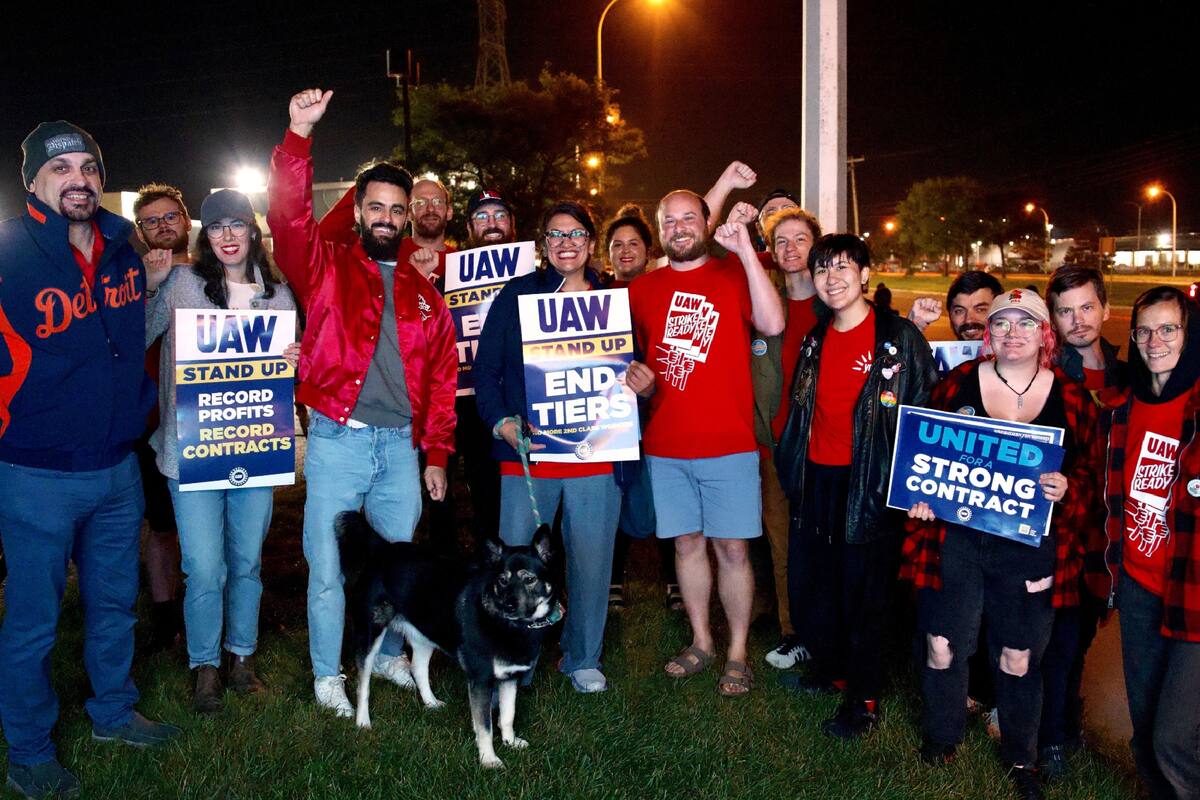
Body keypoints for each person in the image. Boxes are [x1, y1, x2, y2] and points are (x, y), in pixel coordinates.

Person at [0, 120, 180, 799]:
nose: (79, 179)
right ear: (33, 182)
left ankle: (112, 712)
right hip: (34, 471)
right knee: (33, 620)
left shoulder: (122, 249)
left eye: (88, 167)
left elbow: (134, 336)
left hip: (114, 466)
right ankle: (29, 749)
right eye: (61, 168)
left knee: (114, 602)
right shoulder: (10, 252)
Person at [267, 88, 458, 717]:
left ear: (407, 217)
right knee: (328, 567)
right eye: (373, 205)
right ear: (358, 213)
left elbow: (438, 387)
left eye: (395, 209)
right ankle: (329, 675)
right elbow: (289, 221)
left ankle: (386, 657)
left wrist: (435, 455)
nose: (385, 216)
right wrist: (298, 135)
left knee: (397, 570)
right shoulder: (325, 267)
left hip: (399, 450)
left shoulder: (426, 296)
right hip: (337, 440)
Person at [902, 288, 1100, 800]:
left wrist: (1068, 489)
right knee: (942, 647)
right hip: (958, 540)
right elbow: (922, 455)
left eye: (1026, 323)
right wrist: (920, 497)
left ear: (1044, 334)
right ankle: (941, 739)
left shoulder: (1073, 399)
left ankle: (1021, 757)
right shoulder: (958, 384)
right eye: (1002, 323)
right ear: (988, 333)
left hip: (1028, 548)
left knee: (1018, 657)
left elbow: (1092, 477)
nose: (1012, 333)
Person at [475, 201, 651, 693]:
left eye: (576, 234)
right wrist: (500, 423)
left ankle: (582, 657)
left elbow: (637, 372)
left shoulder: (614, 301)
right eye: (555, 234)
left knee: (592, 560)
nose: (566, 242)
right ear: (543, 245)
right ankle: (515, 657)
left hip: (594, 456)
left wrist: (643, 383)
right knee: (514, 566)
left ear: (591, 244)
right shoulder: (516, 296)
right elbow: (486, 372)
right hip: (527, 456)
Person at [774, 233, 937, 736]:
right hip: (816, 480)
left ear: (866, 274)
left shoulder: (899, 337)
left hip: (871, 482)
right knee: (815, 587)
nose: (833, 278)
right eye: (823, 270)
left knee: (864, 596)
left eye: (844, 268)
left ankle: (863, 701)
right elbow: (803, 413)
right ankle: (832, 671)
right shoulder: (816, 338)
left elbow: (924, 412)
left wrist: (916, 489)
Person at [145, 189, 296, 712]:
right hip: (190, 454)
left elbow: (286, 378)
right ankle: (204, 665)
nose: (227, 236)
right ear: (204, 236)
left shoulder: (278, 295)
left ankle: (242, 656)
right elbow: (140, 335)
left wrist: (296, 357)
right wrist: (150, 288)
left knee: (246, 562)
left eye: (236, 225)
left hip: (252, 450)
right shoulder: (183, 284)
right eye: (216, 227)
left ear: (252, 230)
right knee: (205, 566)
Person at [630, 190, 784, 697]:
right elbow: (633, 365)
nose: (678, 227)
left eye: (688, 218)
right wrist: (642, 383)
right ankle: (702, 641)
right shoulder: (643, 289)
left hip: (729, 441)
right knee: (687, 544)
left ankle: (737, 650)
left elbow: (772, 323)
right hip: (667, 444)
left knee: (733, 549)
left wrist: (742, 250)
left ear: (705, 222)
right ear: (661, 229)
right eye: (668, 220)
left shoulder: (734, 272)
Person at [1099, 286, 1200, 800]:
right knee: (1145, 723)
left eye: (1169, 329)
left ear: (1189, 334)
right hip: (1138, 585)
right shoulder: (1123, 405)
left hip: (1194, 596)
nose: (1154, 340)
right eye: (1144, 330)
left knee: (1176, 737)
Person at [1037, 264, 1127, 777]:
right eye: (1065, 311)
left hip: (1115, 532)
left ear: (1105, 309)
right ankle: (1053, 737)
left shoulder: (1129, 369)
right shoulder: (1047, 374)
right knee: (1060, 637)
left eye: (1086, 307)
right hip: (1066, 530)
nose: (1077, 320)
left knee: (1091, 629)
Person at [599, 206, 681, 612]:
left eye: (634, 243)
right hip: (609, 413)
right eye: (617, 245)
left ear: (649, 251)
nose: (626, 251)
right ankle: (612, 578)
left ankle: (675, 579)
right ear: (607, 253)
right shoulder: (595, 294)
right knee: (616, 491)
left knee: (663, 493)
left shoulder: (664, 291)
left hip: (659, 407)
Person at [751, 206, 822, 669]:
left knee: (823, 542)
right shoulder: (761, 304)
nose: (790, 248)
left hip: (823, 450)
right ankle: (793, 630)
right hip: (772, 447)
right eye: (781, 242)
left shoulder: (834, 305)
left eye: (800, 239)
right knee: (782, 544)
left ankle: (829, 629)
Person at [132, 183, 190, 652]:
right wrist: (150, 288)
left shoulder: (217, 267)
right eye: (152, 221)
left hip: (212, 419)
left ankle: (213, 607)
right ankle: (166, 615)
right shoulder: (132, 277)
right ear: (140, 231)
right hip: (153, 422)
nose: (163, 226)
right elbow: (128, 339)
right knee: (163, 524)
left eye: (170, 216)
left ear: (185, 219)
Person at [909, 270, 1003, 340]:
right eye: (959, 311)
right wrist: (914, 326)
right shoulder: (941, 362)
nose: (969, 319)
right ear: (950, 314)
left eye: (980, 310)